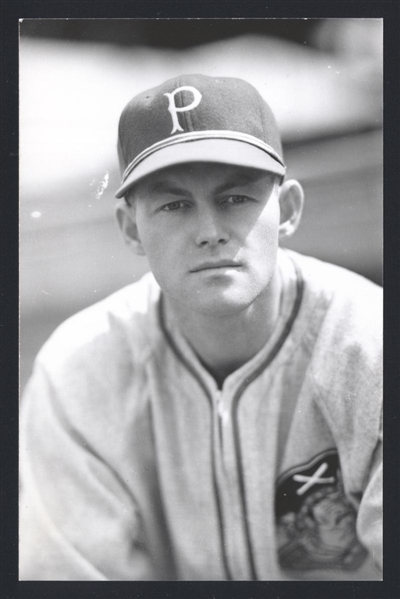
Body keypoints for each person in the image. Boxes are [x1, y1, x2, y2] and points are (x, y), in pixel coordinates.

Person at [19, 74, 382, 581]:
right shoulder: (77, 374)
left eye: (235, 198)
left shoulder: (371, 345)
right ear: (131, 229)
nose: (210, 232)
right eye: (174, 205)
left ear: (289, 210)